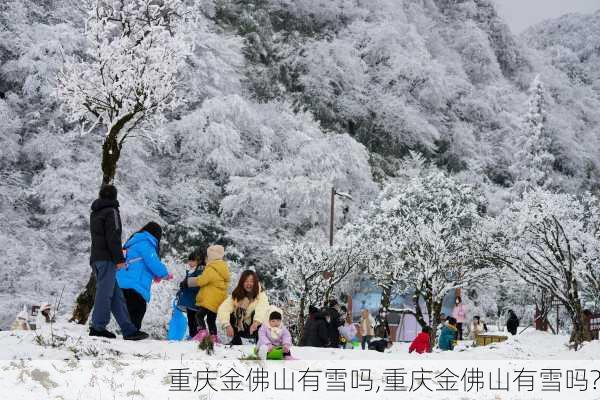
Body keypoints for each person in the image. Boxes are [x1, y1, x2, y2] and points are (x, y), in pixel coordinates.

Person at [89, 185, 147, 341]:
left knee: (116, 296)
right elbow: (113, 237)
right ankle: (97, 327)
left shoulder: (96, 212)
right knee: (105, 293)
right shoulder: (112, 212)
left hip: (96, 259)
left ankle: (129, 330)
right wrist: (120, 259)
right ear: (115, 197)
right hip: (107, 259)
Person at [116, 222, 172, 331]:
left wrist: (154, 275)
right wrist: (165, 274)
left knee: (129, 310)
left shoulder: (132, 242)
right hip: (135, 285)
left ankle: (129, 332)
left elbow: (140, 263)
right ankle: (132, 333)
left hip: (122, 284)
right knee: (139, 309)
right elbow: (153, 262)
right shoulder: (146, 243)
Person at [181, 245, 230, 343]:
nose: (206, 259)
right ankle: (214, 337)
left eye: (207, 257)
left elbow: (202, 280)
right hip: (218, 300)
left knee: (199, 316)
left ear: (212, 257)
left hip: (209, 299)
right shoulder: (223, 268)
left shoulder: (211, 268)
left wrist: (188, 282)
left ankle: (202, 332)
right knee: (211, 320)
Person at [217, 269, 269, 345]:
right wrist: (226, 325)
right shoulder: (236, 295)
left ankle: (260, 342)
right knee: (232, 313)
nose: (249, 284)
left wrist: (256, 323)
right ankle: (236, 340)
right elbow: (224, 308)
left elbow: (262, 309)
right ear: (242, 283)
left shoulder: (260, 295)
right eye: (246, 281)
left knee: (262, 314)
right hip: (241, 328)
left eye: (251, 281)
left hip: (255, 328)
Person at [176, 247, 207, 337]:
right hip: (189, 302)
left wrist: (187, 285)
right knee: (190, 321)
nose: (190, 262)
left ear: (198, 261)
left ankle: (197, 337)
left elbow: (198, 286)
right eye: (189, 260)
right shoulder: (190, 271)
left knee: (195, 321)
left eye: (192, 260)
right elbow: (186, 284)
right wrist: (181, 290)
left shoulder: (200, 271)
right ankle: (192, 336)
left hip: (195, 301)